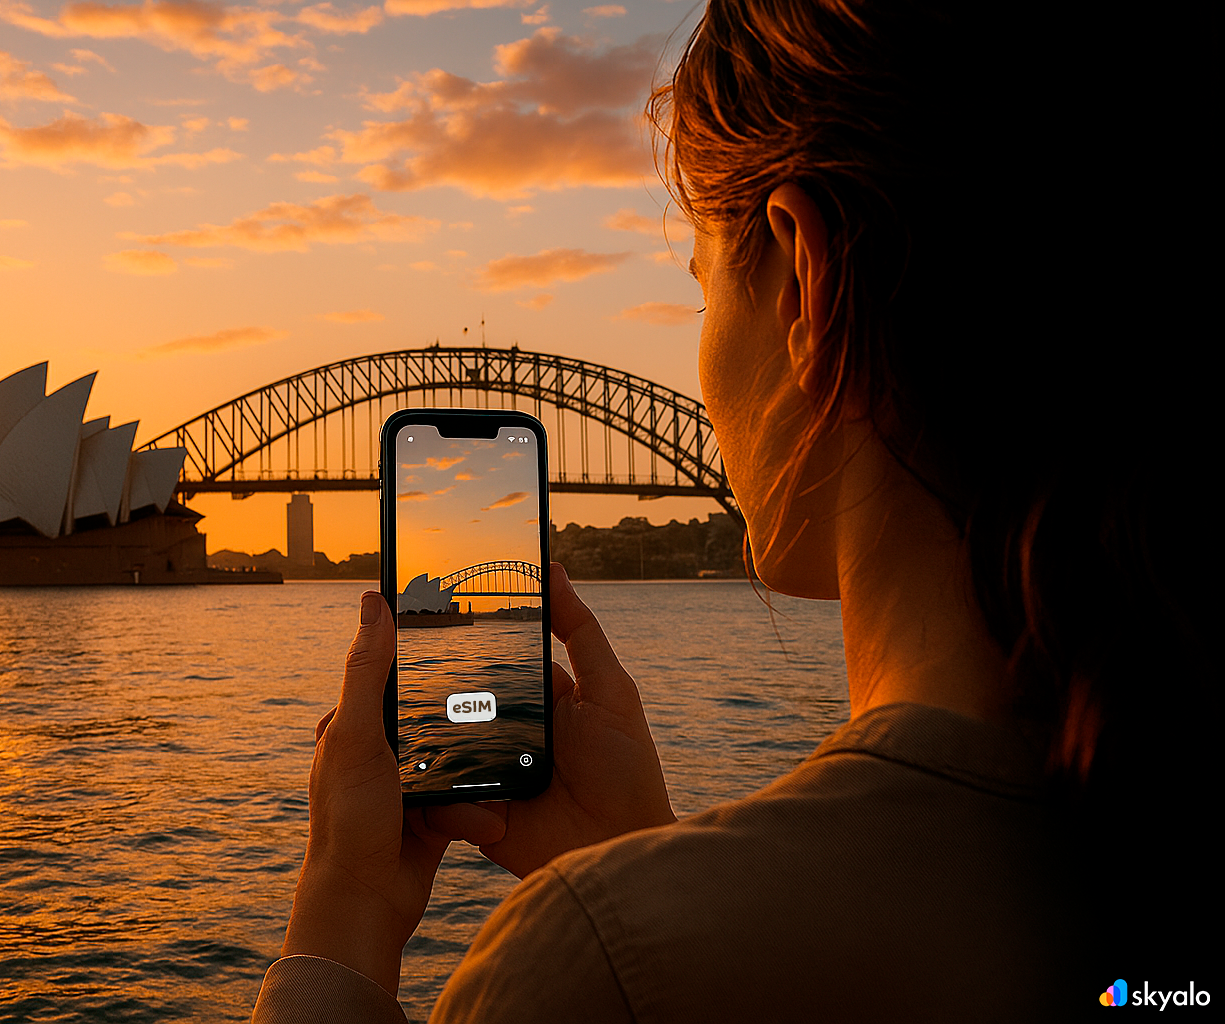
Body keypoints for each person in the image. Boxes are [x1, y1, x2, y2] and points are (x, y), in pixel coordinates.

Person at [253, 1, 1208, 1019]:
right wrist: (634, 858)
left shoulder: (594, 964)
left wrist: (343, 909)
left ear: (807, 279)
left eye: (706, 287)